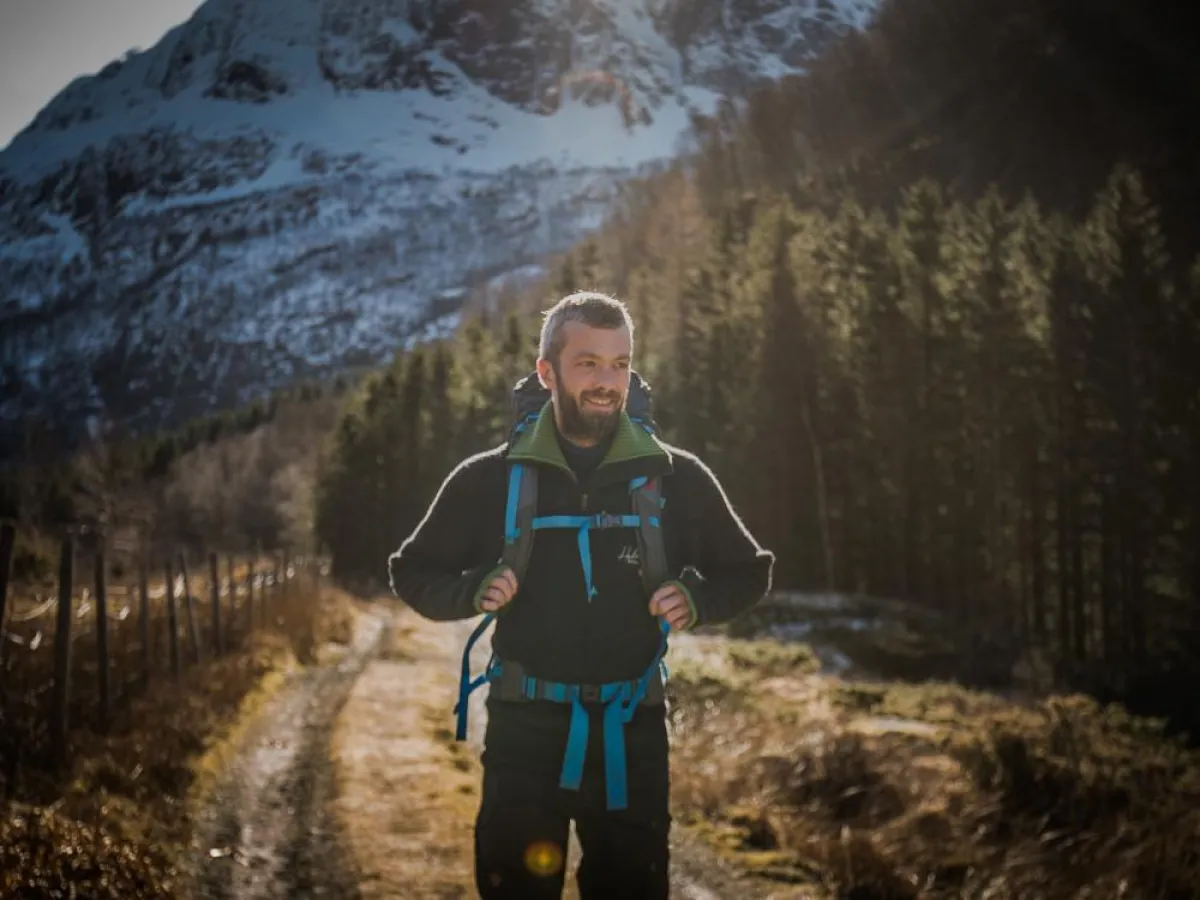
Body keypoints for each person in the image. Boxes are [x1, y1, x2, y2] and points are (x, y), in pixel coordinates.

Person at [388, 291, 774, 899]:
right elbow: (410, 570)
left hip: (633, 734)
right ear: (547, 373)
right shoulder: (488, 478)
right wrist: (469, 590)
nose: (607, 381)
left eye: (620, 363)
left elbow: (750, 572)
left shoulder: (679, 477)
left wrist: (696, 599)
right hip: (523, 734)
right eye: (588, 362)